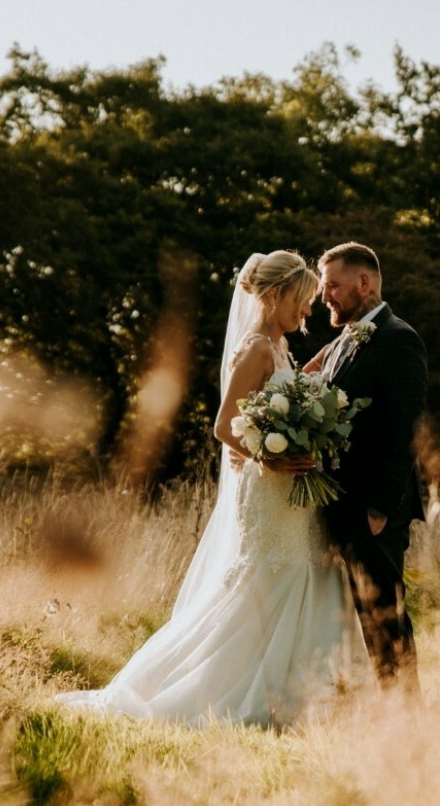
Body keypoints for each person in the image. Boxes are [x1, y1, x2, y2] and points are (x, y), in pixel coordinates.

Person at [57, 251, 372, 726]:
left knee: (302, 574)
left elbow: (285, 392)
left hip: (290, 495)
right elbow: (225, 426)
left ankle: (309, 695)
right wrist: (274, 456)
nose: (308, 311)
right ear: (273, 295)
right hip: (269, 492)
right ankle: (224, 691)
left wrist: (326, 366)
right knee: (266, 582)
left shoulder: (280, 347)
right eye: (302, 301)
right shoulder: (255, 349)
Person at [304, 242, 428, 696]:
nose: (325, 297)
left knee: (384, 614)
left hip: (376, 508)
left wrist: (380, 507)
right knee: (362, 612)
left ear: (364, 282)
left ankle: (406, 714)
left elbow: (405, 431)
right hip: (341, 502)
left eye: (332, 286)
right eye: (323, 287)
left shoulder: (399, 338)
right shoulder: (342, 341)